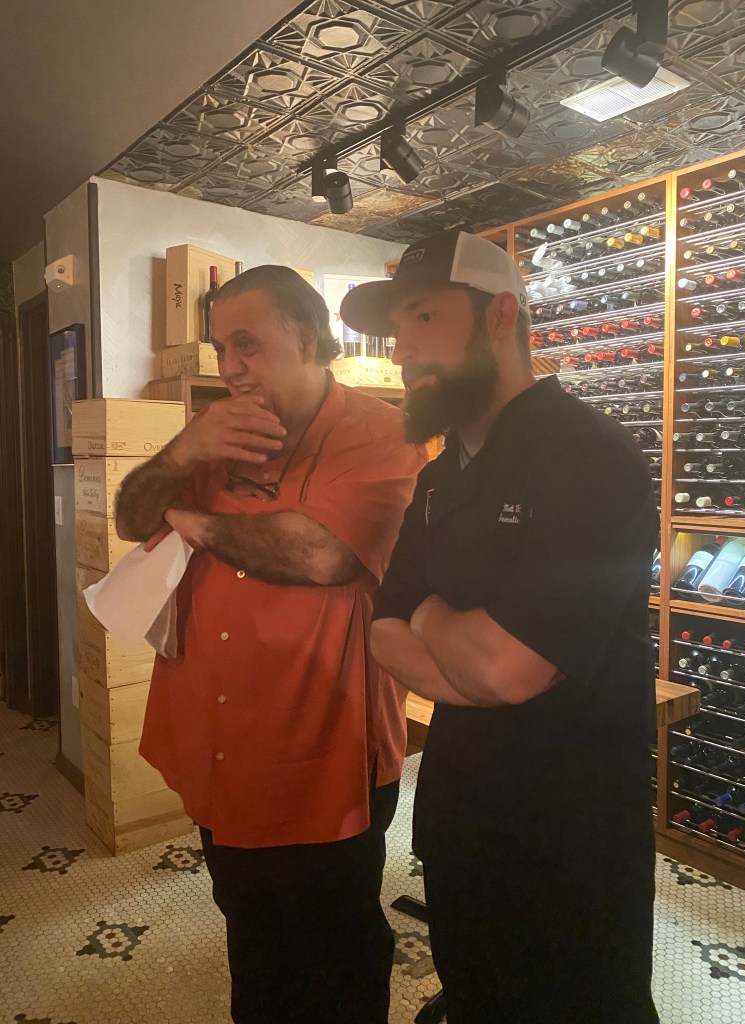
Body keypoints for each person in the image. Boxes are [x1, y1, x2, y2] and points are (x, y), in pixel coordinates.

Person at [340, 230, 660, 1024]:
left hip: (572, 832)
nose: (402, 349)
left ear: (500, 316)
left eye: (424, 316)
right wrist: (457, 644)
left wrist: (429, 613)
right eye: (396, 327)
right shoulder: (439, 476)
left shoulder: (593, 456)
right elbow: (381, 630)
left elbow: (508, 669)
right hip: (462, 816)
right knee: (476, 992)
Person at [115, 265, 426, 1024]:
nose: (231, 366)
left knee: (333, 939)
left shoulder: (380, 432)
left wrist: (195, 522)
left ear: (310, 339)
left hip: (321, 743)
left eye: (247, 343)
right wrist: (181, 454)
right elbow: (129, 517)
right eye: (222, 348)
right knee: (249, 921)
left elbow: (319, 554)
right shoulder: (213, 435)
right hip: (216, 734)